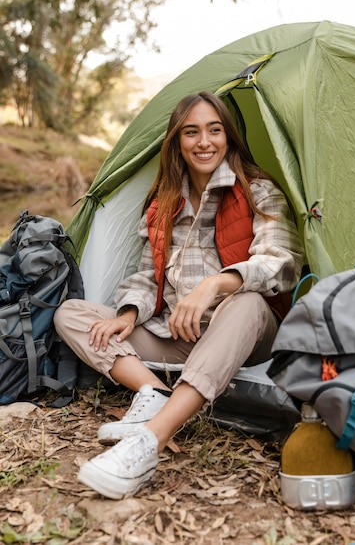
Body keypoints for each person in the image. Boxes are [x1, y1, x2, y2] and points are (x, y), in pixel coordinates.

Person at [54, 91, 304, 500]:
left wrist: (215, 284)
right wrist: (129, 313)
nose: (203, 141)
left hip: (245, 335)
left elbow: (282, 263)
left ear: (229, 137)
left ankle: (151, 439)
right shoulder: (161, 204)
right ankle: (154, 392)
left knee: (247, 302)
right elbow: (145, 274)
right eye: (191, 132)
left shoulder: (258, 191)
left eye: (214, 130)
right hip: (178, 338)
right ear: (177, 141)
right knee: (72, 314)